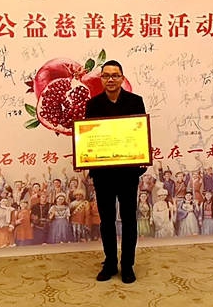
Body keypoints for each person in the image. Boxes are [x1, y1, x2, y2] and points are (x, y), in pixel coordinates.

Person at [85, 60, 146, 284]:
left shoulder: (135, 101)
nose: (111, 79)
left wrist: (140, 159)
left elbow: (139, 133)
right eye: (106, 75)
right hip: (103, 174)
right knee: (107, 221)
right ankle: (110, 263)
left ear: (122, 78)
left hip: (128, 173)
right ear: (101, 79)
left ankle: (127, 265)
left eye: (115, 75)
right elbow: (89, 137)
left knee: (129, 220)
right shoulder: (93, 104)